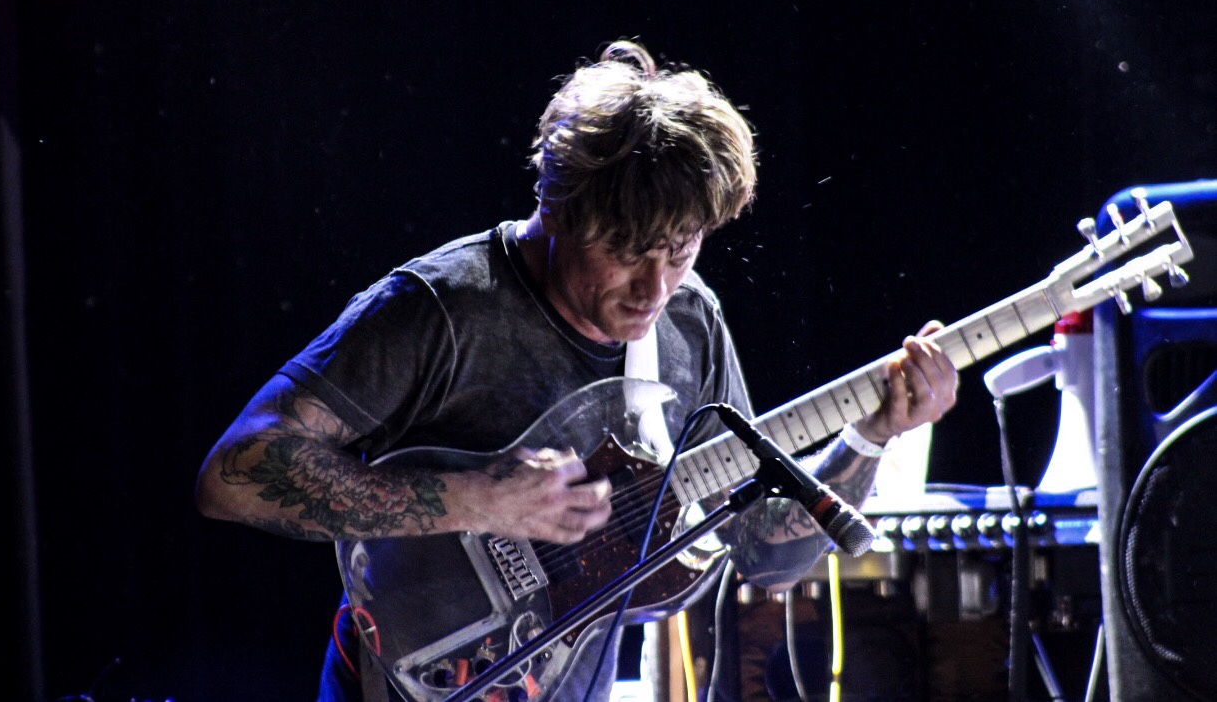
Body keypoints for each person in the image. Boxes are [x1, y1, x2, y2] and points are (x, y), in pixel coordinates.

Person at [194, 39, 960, 702]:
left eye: (681, 251)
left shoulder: (691, 321)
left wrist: (870, 437)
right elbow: (234, 474)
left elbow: (766, 557)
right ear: (558, 208)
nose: (654, 288)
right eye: (627, 251)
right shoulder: (441, 306)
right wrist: (476, 499)